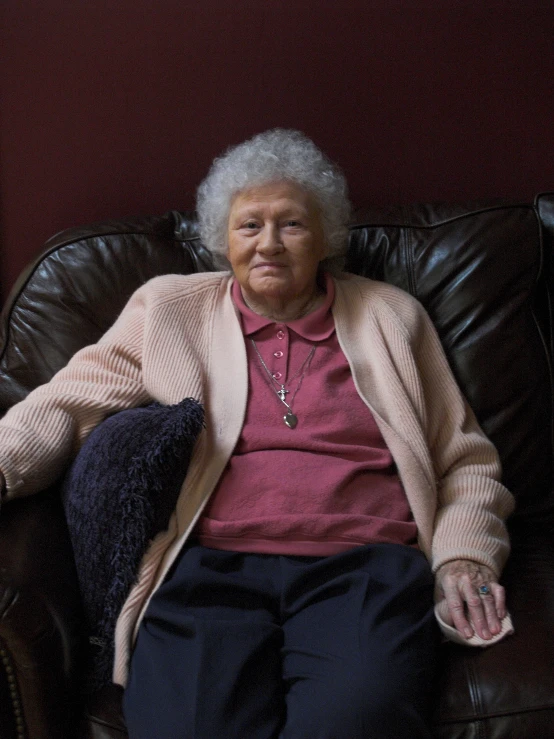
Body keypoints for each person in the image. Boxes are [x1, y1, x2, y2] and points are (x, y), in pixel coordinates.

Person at [0, 129, 514, 738]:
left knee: (355, 722)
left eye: (292, 224)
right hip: (208, 570)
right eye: (249, 226)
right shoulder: (168, 311)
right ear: (223, 239)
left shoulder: (390, 316)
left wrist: (463, 555)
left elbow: (464, 459)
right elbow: (64, 402)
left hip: (363, 568)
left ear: (325, 236)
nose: (269, 243)